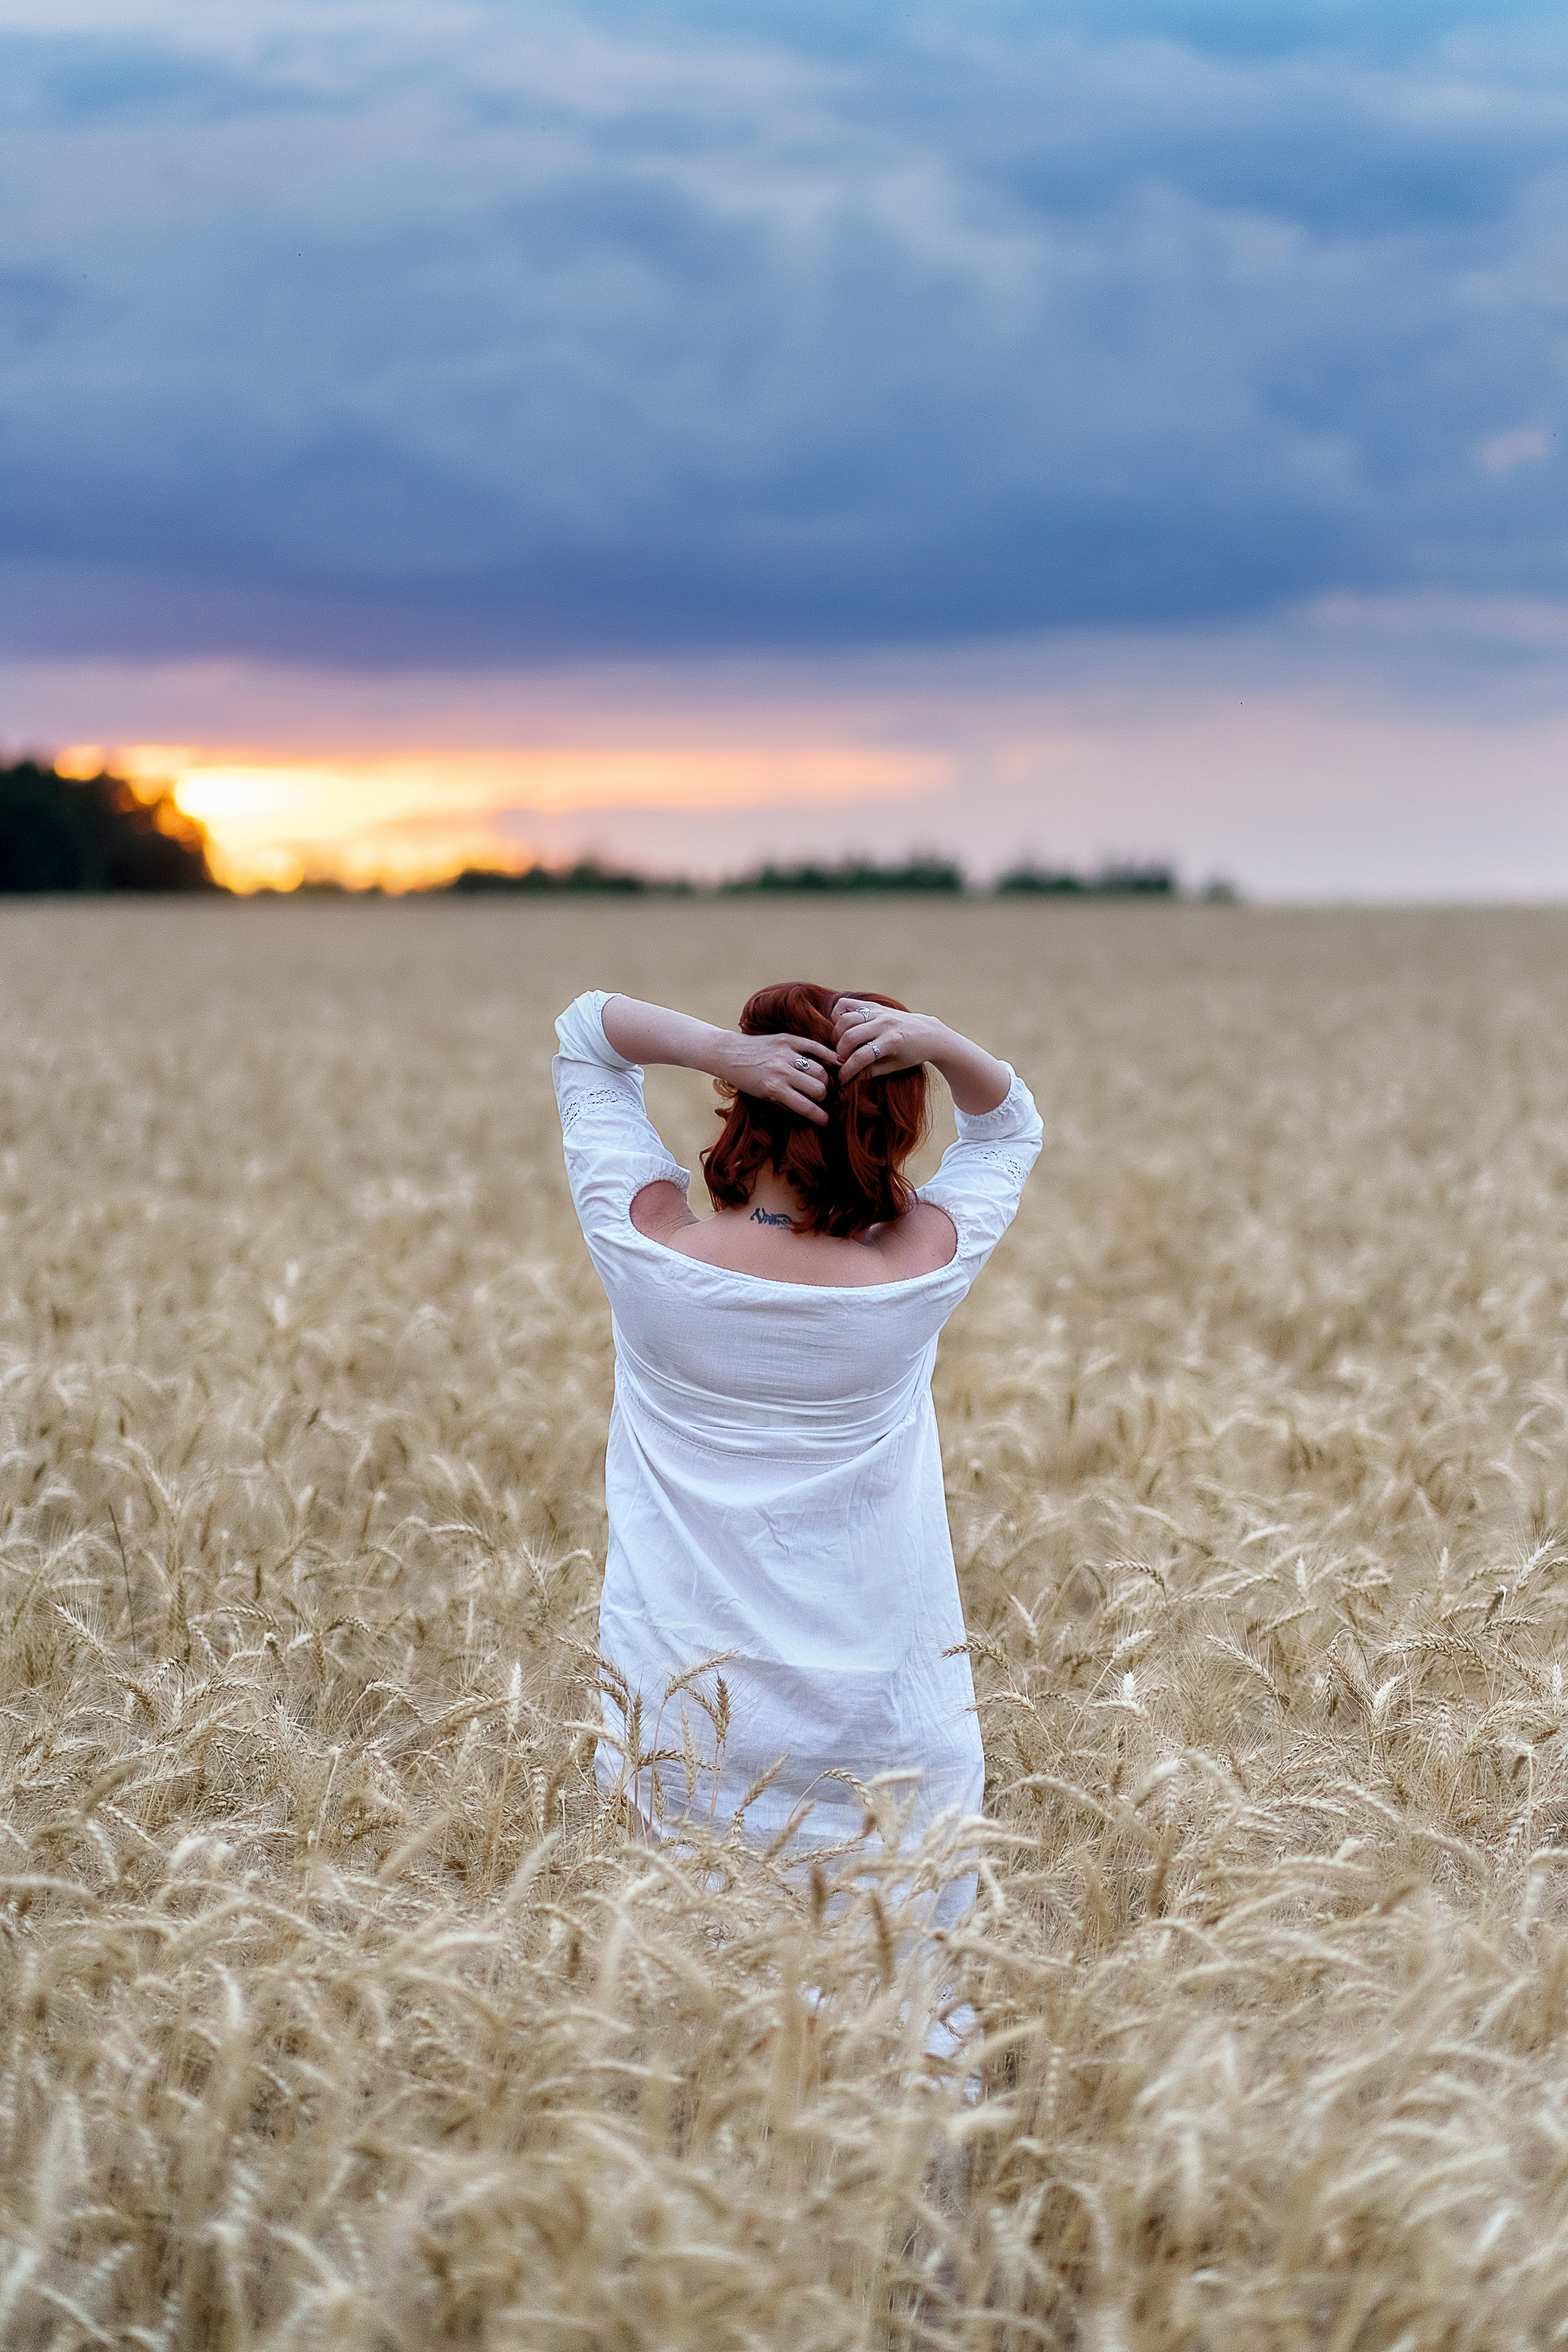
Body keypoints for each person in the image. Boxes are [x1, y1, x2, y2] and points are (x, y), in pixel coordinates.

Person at [553, 982, 1042, 1928]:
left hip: (681, 1726)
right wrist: (941, 1040)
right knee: (896, 2038)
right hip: (889, 1735)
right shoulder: (913, 1274)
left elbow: (587, 1034)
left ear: (745, 1108)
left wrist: (718, 1050)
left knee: (683, 2022)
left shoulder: (645, 1248)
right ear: (894, 1132)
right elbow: (1008, 1130)